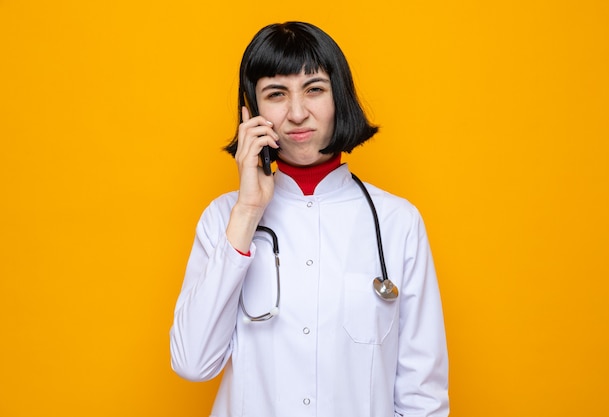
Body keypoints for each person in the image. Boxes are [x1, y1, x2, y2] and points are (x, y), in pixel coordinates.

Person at [170, 21, 449, 417]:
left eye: (314, 89)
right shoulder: (224, 219)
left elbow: (424, 397)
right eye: (276, 94)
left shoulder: (397, 222)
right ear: (250, 110)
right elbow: (192, 363)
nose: (297, 113)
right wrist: (248, 212)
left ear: (340, 98)